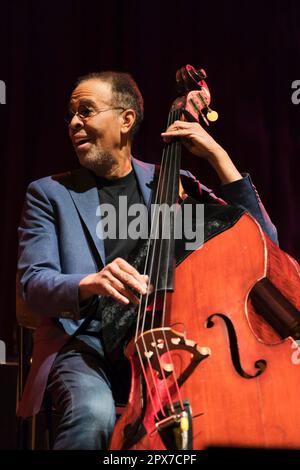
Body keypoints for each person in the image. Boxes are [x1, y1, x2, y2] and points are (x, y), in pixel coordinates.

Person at [17, 71, 278, 450]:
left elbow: (263, 242)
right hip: (87, 347)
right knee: (94, 413)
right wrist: (91, 282)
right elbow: (33, 285)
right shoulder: (49, 194)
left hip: (167, 344)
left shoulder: (174, 184)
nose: (74, 122)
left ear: (125, 120)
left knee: (225, 417)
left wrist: (217, 156)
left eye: (86, 111)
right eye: (71, 114)